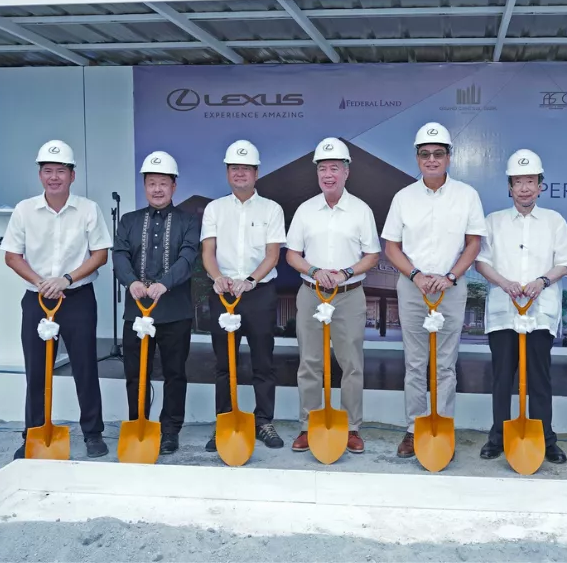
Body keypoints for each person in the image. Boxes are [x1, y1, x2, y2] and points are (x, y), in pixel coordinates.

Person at [381, 121, 487, 458]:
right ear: (417, 158)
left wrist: (451, 277)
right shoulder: (403, 197)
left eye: (437, 154)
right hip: (413, 288)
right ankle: (414, 430)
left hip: (450, 289)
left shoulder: (467, 195)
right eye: (425, 154)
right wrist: (415, 275)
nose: (431, 160)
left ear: (448, 157)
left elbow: (473, 244)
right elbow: (391, 247)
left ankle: (442, 427)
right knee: (414, 363)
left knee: (444, 364)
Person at [1, 139, 112, 460]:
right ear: (40, 175)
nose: (54, 177)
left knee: (85, 366)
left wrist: (65, 279)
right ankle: (33, 433)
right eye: (47, 171)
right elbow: (12, 256)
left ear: (72, 175)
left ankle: (93, 434)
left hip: (77, 297)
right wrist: (41, 283)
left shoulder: (88, 209)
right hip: (37, 299)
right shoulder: (24, 210)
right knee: (37, 369)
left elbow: (100, 254)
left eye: (60, 171)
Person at [475, 149, 567, 464]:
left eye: (530, 181)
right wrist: (504, 283)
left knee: (539, 377)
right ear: (509, 187)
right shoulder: (493, 221)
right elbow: (481, 263)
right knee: (502, 377)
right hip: (504, 312)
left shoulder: (554, 221)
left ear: (540, 186)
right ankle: (498, 437)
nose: (524, 188)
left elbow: (566, 264)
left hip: (540, 311)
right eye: (518, 182)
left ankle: (546, 439)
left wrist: (541, 282)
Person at [285, 137, 381, 454]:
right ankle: (307, 426)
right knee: (310, 362)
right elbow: (292, 255)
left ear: (346, 172)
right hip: (311, 293)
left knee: (351, 363)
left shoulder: (361, 210)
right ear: (317, 173)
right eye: (323, 168)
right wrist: (314, 271)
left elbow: (372, 256)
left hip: (349, 295)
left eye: (335, 168)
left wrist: (345, 273)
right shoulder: (304, 210)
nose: (328, 174)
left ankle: (352, 427)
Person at [112, 151, 201, 455]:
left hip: (175, 312)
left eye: (163, 183)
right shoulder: (129, 221)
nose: (157, 189)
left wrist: (164, 283)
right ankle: (138, 424)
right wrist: (132, 282)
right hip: (136, 312)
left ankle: (170, 430)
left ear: (174, 186)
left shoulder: (189, 221)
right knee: (136, 374)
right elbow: (119, 255)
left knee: (175, 373)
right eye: (152, 183)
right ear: (144, 186)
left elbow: (189, 256)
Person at [200, 140, 287, 451]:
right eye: (234, 168)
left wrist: (250, 281)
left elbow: (272, 255)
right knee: (225, 363)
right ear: (227, 172)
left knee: (263, 361)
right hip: (223, 294)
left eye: (246, 168)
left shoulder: (271, 209)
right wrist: (219, 278)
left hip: (258, 293)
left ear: (256, 172)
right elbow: (208, 252)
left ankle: (263, 421)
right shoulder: (214, 208)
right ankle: (224, 419)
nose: (240, 173)